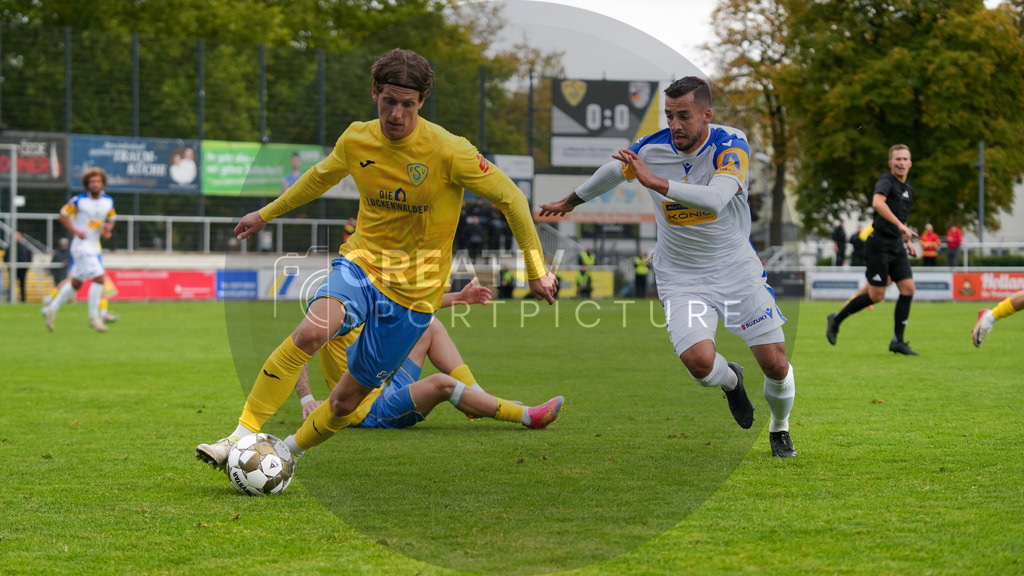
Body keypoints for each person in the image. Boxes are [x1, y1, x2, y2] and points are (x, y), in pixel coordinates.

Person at [195, 48, 557, 470]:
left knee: (347, 400)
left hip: (413, 295)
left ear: (421, 102)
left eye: (407, 104)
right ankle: (238, 436)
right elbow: (317, 177)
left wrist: (535, 270)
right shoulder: (356, 138)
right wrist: (265, 213)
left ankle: (284, 452)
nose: (397, 114)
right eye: (389, 102)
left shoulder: (449, 151)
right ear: (375, 94)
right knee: (311, 334)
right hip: (360, 264)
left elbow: (512, 198)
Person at [539, 76, 797, 458]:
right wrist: (574, 200)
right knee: (699, 365)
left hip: (736, 271)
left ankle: (779, 428)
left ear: (706, 115)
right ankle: (732, 382)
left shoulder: (731, 144)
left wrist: (656, 182)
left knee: (775, 364)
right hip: (681, 276)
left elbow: (716, 198)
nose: (675, 125)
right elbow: (615, 170)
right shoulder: (652, 148)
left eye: (685, 116)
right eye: (670, 115)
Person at [293, 280, 563, 429]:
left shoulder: (370, 294)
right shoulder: (337, 309)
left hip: (386, 384)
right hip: (367, 410)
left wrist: (460, 297)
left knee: (429, 325)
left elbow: (415, 306)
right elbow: (298, 352)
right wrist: (307, 398)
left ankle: (478, 396)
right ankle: (526, 416)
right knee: (441, 384)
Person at [826, 144, 919, 355]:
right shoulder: (887, 181)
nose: (901, 163)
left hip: (896, 245)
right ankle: (836, 319)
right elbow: (878, 204)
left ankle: (898, 341)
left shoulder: (909, 189)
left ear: (910, 163)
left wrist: (907, 238)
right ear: (891, 163)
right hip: (879, 246)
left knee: (908, 289)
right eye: (898, 159)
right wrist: (901, 226)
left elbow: (900, 220)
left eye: (905, 159)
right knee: (876, 295)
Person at [41, 167, 116, 332]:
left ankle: (51, 309)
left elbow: (111, 218)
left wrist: (107, 229)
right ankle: (94, 318)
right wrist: (75, 231)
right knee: (99, 278)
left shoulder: (108, 201)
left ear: (103, 183)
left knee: (75, 283)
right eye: (92, 182)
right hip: (81, 247)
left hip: (95, 247)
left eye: (98, 181)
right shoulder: (78, 200)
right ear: (87, 184)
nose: (95, 184)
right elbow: (62, 215)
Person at [11, 231, 33, 302]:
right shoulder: (11, 247)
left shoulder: (24, 247)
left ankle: (23, 300)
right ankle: (10, 299)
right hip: (13, 269)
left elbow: (29, 256)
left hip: (22, 269)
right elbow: (6, 256)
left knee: (22, 285)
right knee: (11, 284)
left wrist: (26, 266)